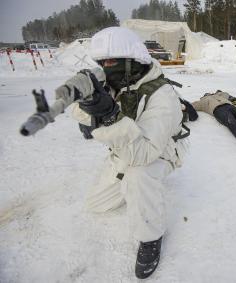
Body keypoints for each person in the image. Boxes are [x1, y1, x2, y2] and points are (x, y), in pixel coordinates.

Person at [63, 27, 188, 279]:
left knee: (139, 173)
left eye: (111, 61)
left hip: (161, 148)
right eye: (101, 62)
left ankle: (151, 236)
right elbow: (79, 113)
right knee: (96, 205)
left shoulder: (162, 95)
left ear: (132, 62)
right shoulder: (118, 83)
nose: (106, 67)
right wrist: (88, 101)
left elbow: (145, 153)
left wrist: (109, 116)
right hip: (129, 144)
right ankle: (133, 186)